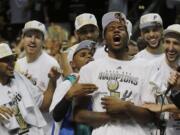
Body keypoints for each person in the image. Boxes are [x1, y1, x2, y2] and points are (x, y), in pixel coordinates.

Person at [73, 11, 155, 135]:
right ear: (104, 37)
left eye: (121, 28)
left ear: (128, 35)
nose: (116, 31)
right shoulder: (90, 69)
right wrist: (113, 116)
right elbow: (78, 115)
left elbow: (152, 116)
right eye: (111, 28)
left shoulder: (146, 67)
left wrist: (127, 107)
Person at [15, 20, 61, 135]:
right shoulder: (17, 64)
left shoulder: (51, 64)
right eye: (29, 36)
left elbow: (55, 103)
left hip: (46, 128)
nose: (32, 40)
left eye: (37, 37)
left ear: (43, 41)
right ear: (23, 38)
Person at [50, 40, 98, 135]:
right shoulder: (67, 84)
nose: (89, 56)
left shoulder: (98, 83)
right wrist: (68, 96)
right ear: (73, 64)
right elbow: (56, 116)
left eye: (91, 55)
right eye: (83, 55)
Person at [0, 43, 46, 135]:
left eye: (12, 59)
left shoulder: (21, 79)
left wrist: (52, 81)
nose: (11, 64)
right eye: (6, 60)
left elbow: (42, 103)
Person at [142, 24, 180, 135]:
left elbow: (157, 107)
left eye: (176, 43)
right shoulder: (150, 67)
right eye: (167, 42)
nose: (171, 48)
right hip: (154, 130)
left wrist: (163, 107)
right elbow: (146, 106)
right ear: (163, 42)